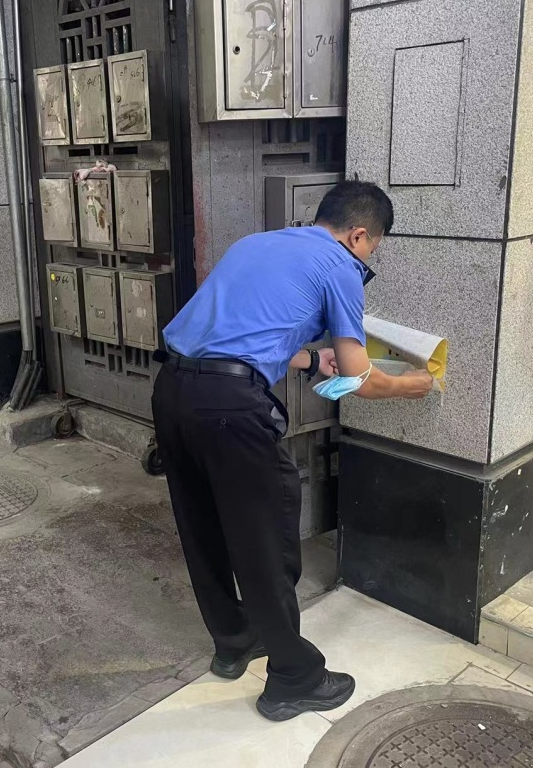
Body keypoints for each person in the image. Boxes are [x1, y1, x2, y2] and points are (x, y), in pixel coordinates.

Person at [152, 180, 433, 722]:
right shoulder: (341, 266)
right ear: (358, 235)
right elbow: (359, 379)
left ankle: (234, 642)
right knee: (267, 535)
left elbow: (238, 332)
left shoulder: (256, 243)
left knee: (201, 524)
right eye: (371, 248)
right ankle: (293, 679)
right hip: (230, 408)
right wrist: (410, 385)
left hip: (172, 391)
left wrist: (308, 360)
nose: (366, 258)